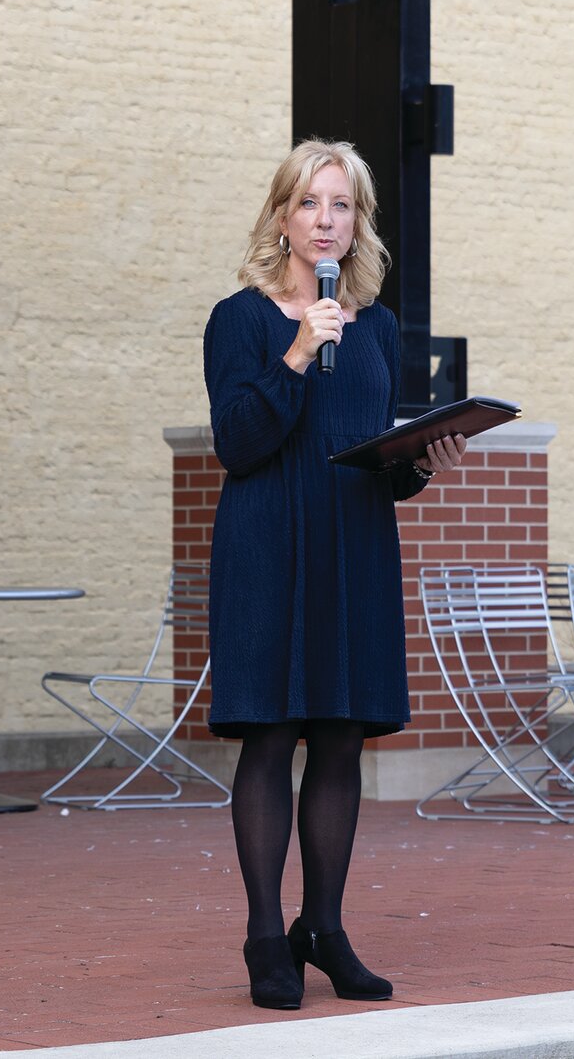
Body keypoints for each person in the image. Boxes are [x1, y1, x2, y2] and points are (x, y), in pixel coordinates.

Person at [203, 138, 465, 1010]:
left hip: (352, 544)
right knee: (273, 736)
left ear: (358, 225)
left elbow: (374, 466)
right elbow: (240, 444)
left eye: (342, 206)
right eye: (311, 203)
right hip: (268, 544)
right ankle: (265, 937)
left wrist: (423, 463)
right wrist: (293, 352)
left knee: (341, 737)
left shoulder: (379, 327)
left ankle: (326, 926)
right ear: (283, 217)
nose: (326, 220)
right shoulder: (238, 320)